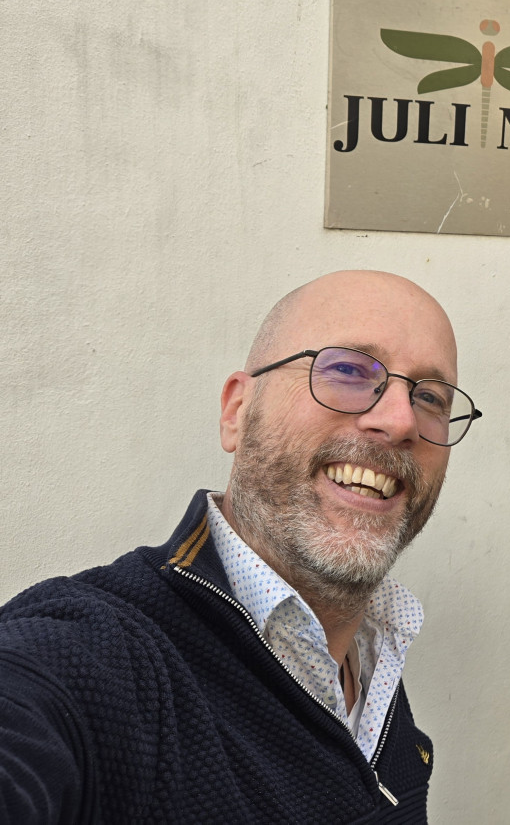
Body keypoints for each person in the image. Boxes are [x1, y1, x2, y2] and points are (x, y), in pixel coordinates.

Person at [0, 270, 480, 823]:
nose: (400, 421)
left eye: (430, 397)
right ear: (237, 412)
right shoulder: (99, 660)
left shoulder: (376, 654)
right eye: (348, 370)